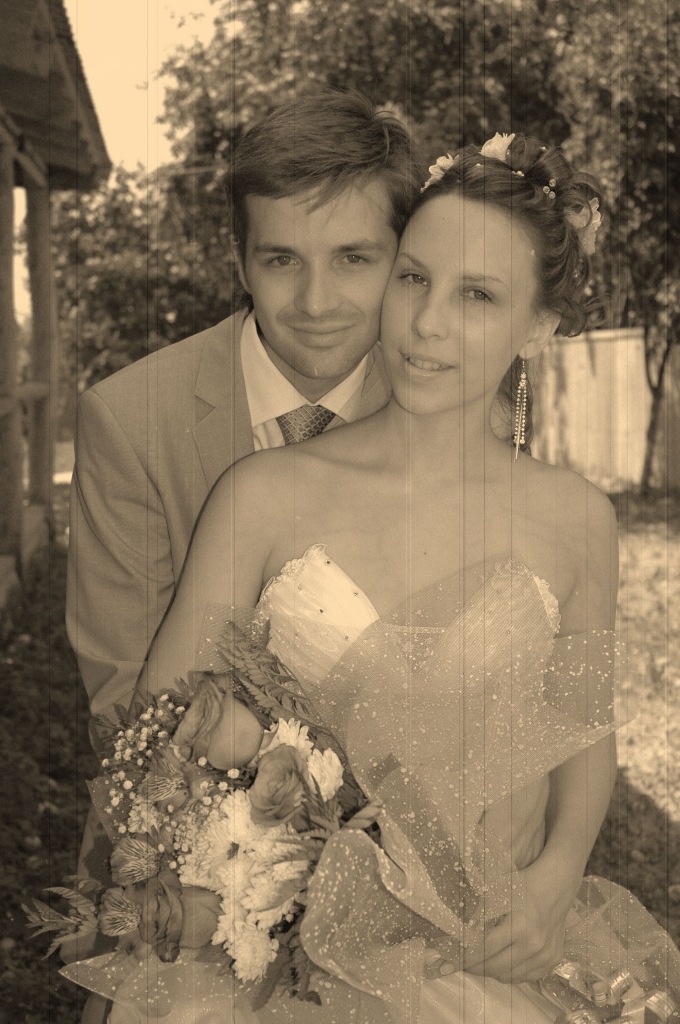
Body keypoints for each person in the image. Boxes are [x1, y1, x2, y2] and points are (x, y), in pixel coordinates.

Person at [88, 130, 663, 1023]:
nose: (427, 322)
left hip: (486, 951)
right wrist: (260, 868)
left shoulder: (577, 518)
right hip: (275, 973)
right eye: (413, 277)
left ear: (539, 327)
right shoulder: (260, 494)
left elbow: (585, 732)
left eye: (477, 294)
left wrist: (555, 881)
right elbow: (165, 726)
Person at [66, 88, 420, 1024]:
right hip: (186, 865)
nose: (316, 302)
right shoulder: (130, 420)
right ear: (239, 260)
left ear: (403, 259)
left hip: (407, 874)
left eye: (355, 259)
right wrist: (271, 865)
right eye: (281, 259)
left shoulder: (454, 410)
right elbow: (129, 707)